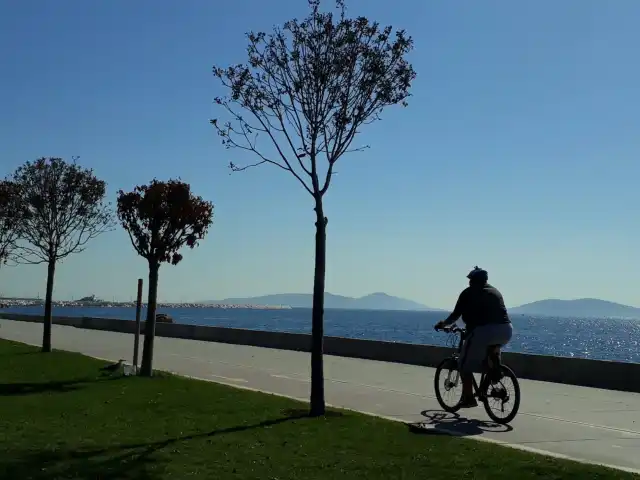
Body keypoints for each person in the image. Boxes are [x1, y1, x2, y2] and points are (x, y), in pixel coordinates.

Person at [434, 266, 512, 408]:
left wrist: (443, 324)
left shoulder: (468, 292)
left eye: (470, 280)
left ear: (474, 281)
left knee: (463, 364)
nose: (469, 283)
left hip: (485, 331)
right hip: (506, 330)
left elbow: (456, 314)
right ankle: (492, 377)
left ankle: (469, 398)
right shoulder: (495, 291)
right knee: (490, 356)